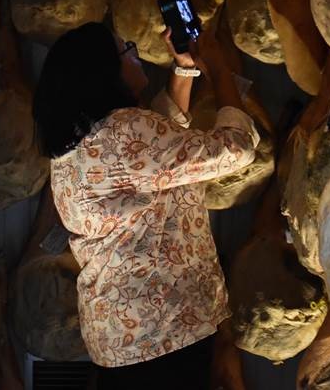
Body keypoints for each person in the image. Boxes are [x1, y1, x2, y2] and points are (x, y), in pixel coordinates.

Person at [33, 22, 259, 389]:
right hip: (162, 330)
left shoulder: (75, 147)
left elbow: (161, 149)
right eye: (127, 51)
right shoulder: (123, 131)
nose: (137, 57)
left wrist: (185, 69)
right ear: (104, 72)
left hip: (121, 337)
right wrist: (218, 69)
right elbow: (236, 148)